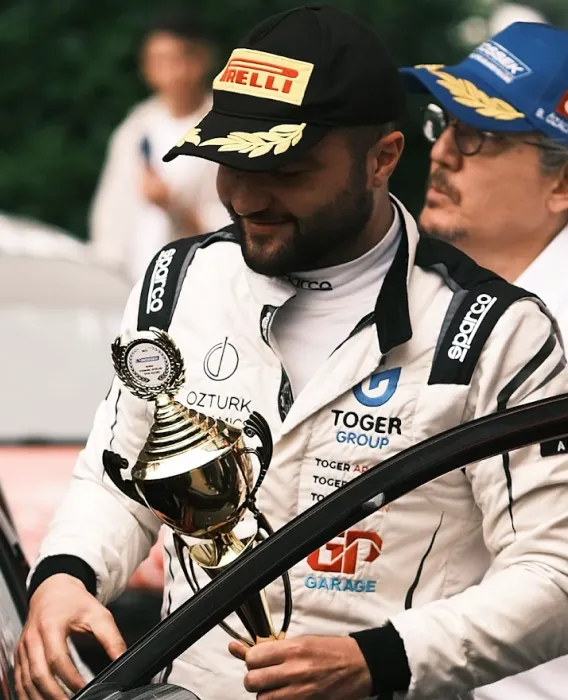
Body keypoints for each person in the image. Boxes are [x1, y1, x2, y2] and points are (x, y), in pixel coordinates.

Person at [15, 6, 568, 700]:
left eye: (287, 169)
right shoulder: (177, 283)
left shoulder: (498, 331)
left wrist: (381, 659)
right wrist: (65, 576)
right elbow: (118, 482)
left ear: (384, 158)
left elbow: (555, 571)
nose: (246, 196)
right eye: (227, 161)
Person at [401, 20, 568, 700]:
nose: (441, 153)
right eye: (444, 122)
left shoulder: (553, 336)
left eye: (481, 136)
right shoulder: (450, 299)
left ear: (562, 187)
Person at [89, 8, 230, 282]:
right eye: (156, 60)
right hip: (131, 280)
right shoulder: (135, 127)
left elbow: (236, 223)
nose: (165, 71)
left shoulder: (225, 127)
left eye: (174, 59)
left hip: (196, 282)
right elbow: (109, 211)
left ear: (201, 59)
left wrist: (173, 206)